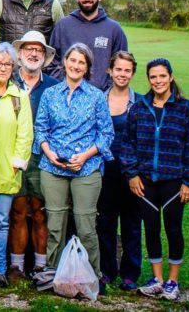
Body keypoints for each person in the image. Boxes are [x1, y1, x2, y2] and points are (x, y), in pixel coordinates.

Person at [121, 58, 189, 302]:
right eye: (153, 77)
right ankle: (157, 279)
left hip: (174, 180)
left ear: (171, 77)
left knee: (173, 228)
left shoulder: (185, 108)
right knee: (151, 229)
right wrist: (132, 175)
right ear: (148, 80)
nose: (158, 81)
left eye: (162, 76)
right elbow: (128, 144)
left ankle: (172, 281)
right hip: (145, 181)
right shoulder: (139, 107)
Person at [35, 43, 114, 287]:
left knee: (85, 224)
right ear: (65, 62)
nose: (76, 65)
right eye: (73, 60)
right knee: (56, 224)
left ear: (87, 67)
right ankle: (52, 275)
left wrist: (86, 156)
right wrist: (49, 154)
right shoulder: (50, 94)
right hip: (53, 168)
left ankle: (92, 277)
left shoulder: (96, 96)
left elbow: (106, 134)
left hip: (86, 169)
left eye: (82, 62)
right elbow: (41, 129)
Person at [7, 30, 60, 281]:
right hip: (13, 154)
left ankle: (40, 265)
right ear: (20, 53)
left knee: (40, 211)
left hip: (42, 156)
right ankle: (16, 266)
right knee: (17, 210)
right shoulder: (8, 81)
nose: (33, 53)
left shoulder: (52, 86)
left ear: (44, 55)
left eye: (38, 50)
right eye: (28, 49)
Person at [0, 43, 33, 287]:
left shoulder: (19, 97)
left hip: (6, 170)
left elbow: (26, 134)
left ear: (13, 67)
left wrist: (17, 163)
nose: (2, 68)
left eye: (7, 64)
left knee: (0, 221)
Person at [97, 51, 144, 291]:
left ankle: (130, 273)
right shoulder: (99, 99)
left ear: (132, 73)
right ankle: (106, 270)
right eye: (118, 69)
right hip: (104, 170)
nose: (122, 74)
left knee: (131, 223)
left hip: (132, 174)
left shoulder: (140, 102)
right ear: (110, 71)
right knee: (105, 223)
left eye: (127, 70)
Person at [48, 0, 128, 89]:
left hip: (102, 98)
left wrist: (107, 90)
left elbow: (122, 64)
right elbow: (52, 63)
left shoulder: (114, 29)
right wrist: (64, 85)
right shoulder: (63, 26)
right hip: (68, 96)